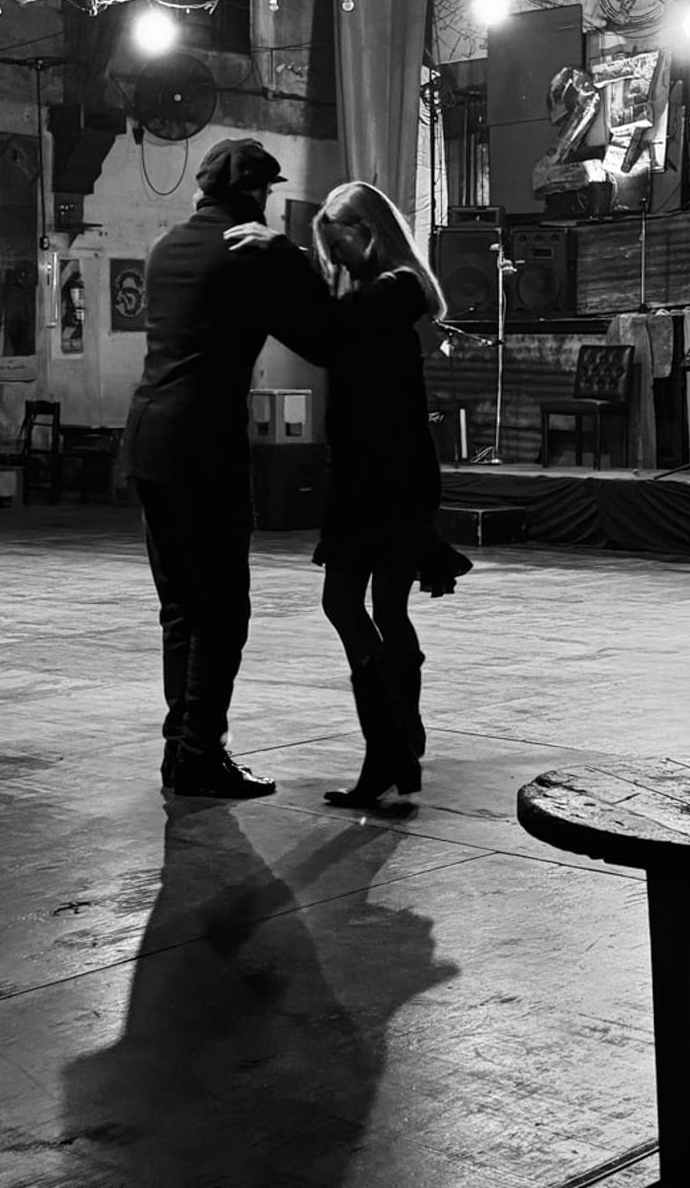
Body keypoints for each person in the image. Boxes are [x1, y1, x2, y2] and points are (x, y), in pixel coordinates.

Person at [230, 180, 471, 809]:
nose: (337, 261)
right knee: (384, 611)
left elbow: (335, 330)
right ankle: (401, 745)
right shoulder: (374, 293)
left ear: (368, 232)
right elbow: (322, 337)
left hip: (387, 477)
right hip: (377, 471)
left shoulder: (395, 290)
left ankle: (387, 750)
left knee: (347, 603)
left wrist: (283, 255)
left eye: (340, 247)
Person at [124, 137, 331, 802]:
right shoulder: (252, 255)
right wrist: (292, 254)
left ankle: (181, 752)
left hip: (150, 439)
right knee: (223, 612)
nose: (269, 209)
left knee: (181, 607)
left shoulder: (166, 248)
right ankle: (199, 755)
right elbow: (322, 334)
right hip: (203, 448)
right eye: (267, 196)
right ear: (253, 196)